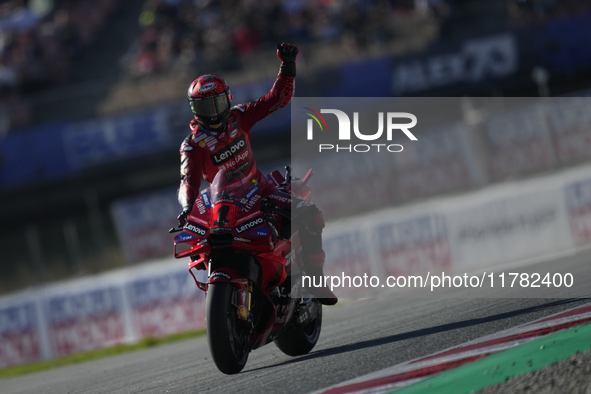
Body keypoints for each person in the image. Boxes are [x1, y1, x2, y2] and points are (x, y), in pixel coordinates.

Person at [176, 43, 337, 305]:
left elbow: (277, 100)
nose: (214, 113)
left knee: (309, 212)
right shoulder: (192, 145)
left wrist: (287, 67)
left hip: (260, 189)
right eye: (206, 107)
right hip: (222, 204)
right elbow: (187, 182)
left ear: (227, 98)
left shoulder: (240, 116)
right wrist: (187, 208)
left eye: (217, 103)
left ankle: (315, 280)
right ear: (194, 109)